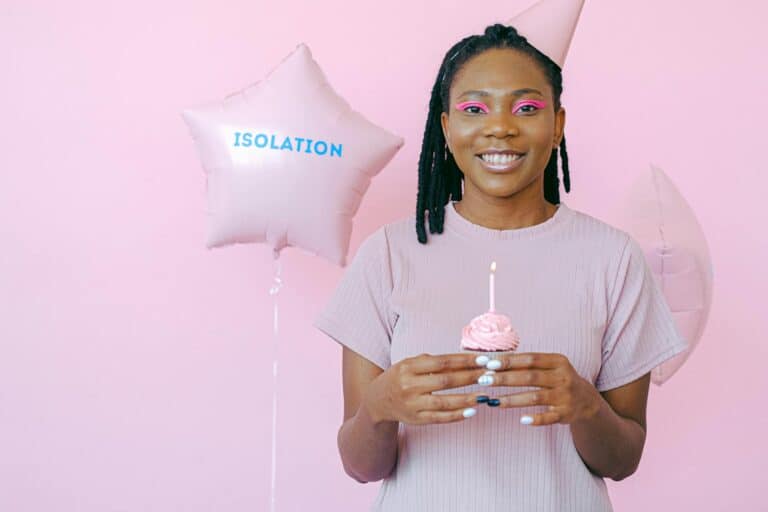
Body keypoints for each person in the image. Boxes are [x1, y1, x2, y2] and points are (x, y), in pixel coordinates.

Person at [313, 21, 688, 511]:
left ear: (557, 125)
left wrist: (584, 405)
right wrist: (381, 408)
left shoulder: (613, 259)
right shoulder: (388, 254)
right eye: (474, 108)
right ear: (447, 129)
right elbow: (361, 466)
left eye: (527, 108)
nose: (500, 126)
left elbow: (622, 459)